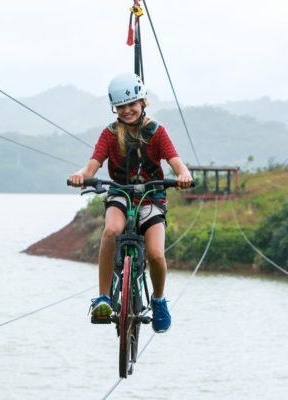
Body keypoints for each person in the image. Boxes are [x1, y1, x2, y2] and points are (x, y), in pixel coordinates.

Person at [69, 72, 192, 333]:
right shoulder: (109, 134)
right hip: (121, 192)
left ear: (143, 102)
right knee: (111, 231)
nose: (127, 110)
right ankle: (103, 298)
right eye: (120, 106)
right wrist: (81, 175)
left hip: (152, 196)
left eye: (132, 104)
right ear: (114, 108)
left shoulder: (157, 132)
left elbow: (176, 162)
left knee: (156, 254)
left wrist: (184, 175)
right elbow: (92, 166)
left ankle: (159, 300)